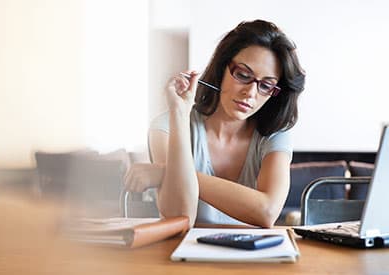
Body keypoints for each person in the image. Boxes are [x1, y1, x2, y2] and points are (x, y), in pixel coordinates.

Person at [124, 20, 305, 227]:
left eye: (266, 86)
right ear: (221, 69)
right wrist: (180, 114)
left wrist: (167, 172)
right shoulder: (166, 126)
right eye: (243, 75)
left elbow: (267, 212)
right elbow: (179, 216)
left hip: (251, 255)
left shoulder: (275, 133)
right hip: (183, 253)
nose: (251, 93)